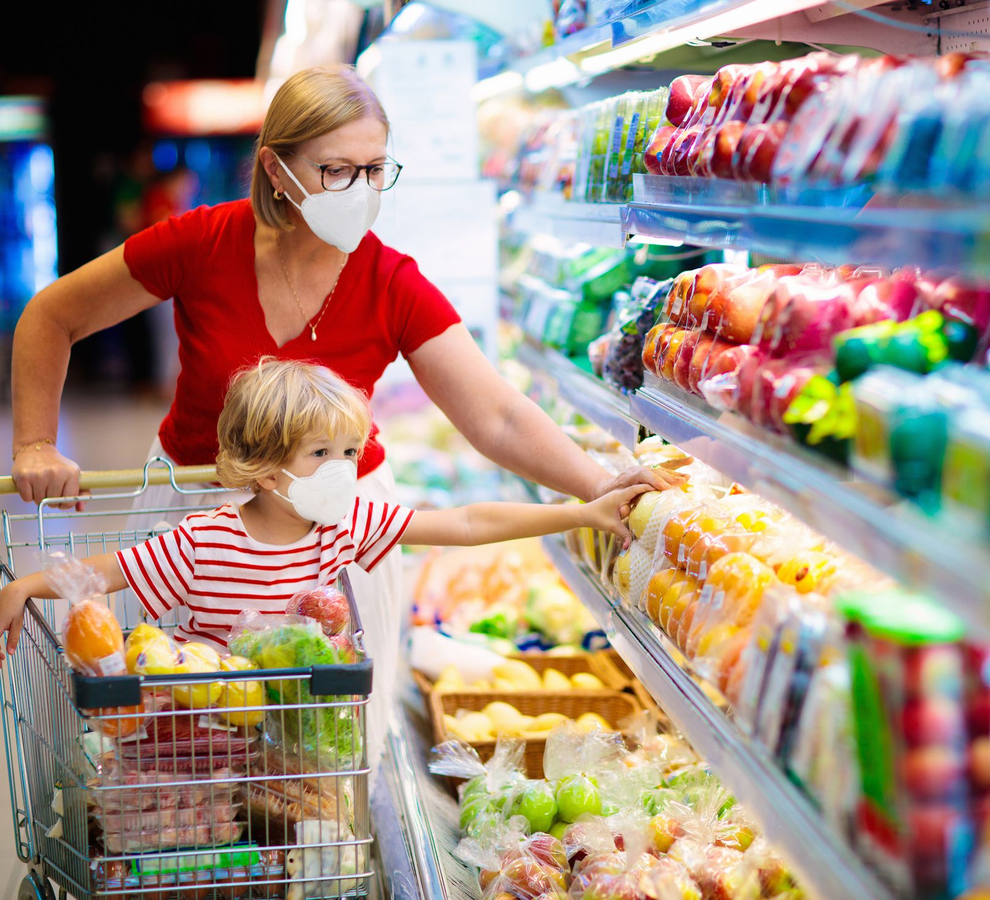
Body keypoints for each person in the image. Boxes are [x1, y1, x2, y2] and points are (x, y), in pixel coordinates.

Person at [8, 64, 680, 762]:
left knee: (326, 748)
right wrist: (32, 442)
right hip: (196, 517)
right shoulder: (201, 243)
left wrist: (597, 485)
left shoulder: (390, 281)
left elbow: (498, 417)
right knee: (180, 729)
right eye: (336, 170)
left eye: (374, 170)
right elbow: (52, 316)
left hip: (334, 528)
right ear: (275, 168)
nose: (360, 192)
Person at [0, 358, 647, 661]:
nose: (342, 469)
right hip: (212, 739)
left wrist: (582, 512)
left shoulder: (345, 524)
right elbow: (114, 570)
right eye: (320, 453)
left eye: (349, 450)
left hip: (308, 742)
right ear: (261, 465)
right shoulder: (204, 540)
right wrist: (27, 584)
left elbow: (469, 523)